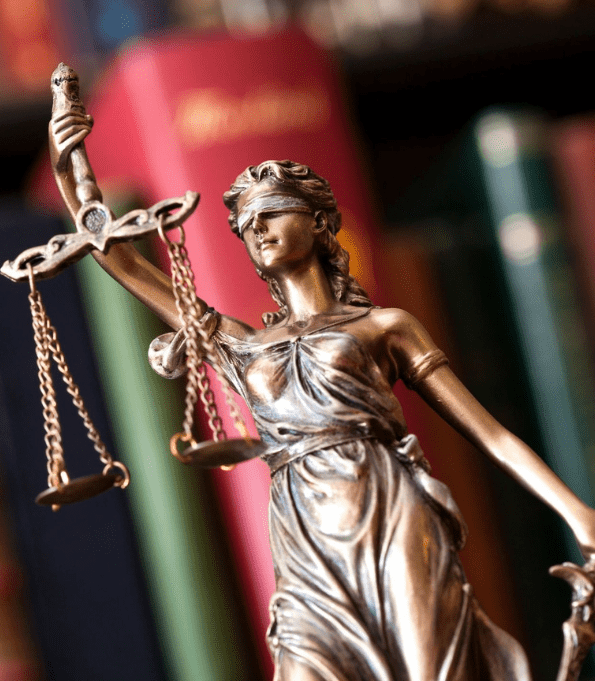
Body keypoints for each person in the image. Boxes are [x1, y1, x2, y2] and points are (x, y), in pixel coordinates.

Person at [51, 112, 595, 680]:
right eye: (245, 224)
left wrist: (578, 513)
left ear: (317, 222)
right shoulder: (242, 345)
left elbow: (492, 435)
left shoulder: (384, 327)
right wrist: (74, 170)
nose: (256, 229)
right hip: (301, 529)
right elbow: (115, 255)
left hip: (390, 512)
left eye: (270, 212)